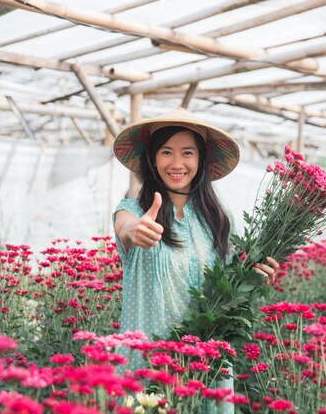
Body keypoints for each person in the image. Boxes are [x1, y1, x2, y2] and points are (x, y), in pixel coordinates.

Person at [112, 108, 278, 412]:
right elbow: (125, 228)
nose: (177, 163)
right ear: (152, 158)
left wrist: (256, 274)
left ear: (200, 158)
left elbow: (233, 283)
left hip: (207, 364)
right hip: (148, 361)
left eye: (187, 152)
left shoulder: (219, 218)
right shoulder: (132, 211)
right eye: (166, 152)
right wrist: (135, 231)